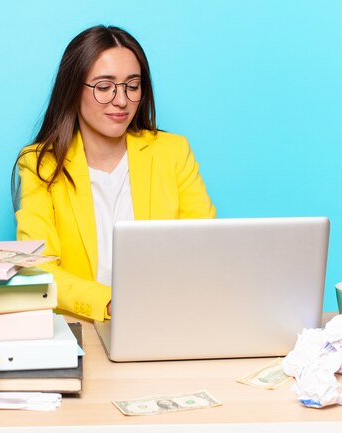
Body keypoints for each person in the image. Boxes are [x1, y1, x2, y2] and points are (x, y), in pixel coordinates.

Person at [12, 25, 216, 322]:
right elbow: (37, 267)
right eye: (104, 87)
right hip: (82, 326)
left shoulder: (173, 152)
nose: (121, 101)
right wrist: (109, 303)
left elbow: (206, 247)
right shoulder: (40, 164)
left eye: (132, 86)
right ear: (72, 89)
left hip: (169, 318)